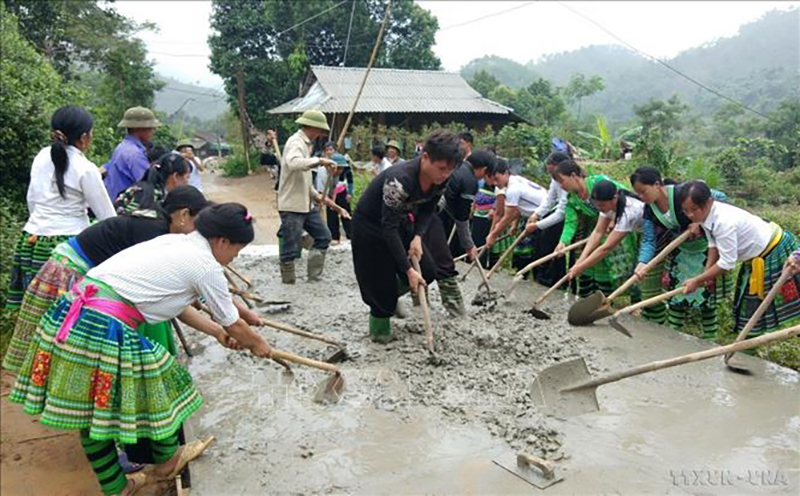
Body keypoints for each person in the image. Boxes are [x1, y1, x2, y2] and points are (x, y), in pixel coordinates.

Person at [10, 203, 271, 496]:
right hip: (103, 325)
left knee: (90, 409)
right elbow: (232, 323)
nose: (233, 258)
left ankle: (118, 486)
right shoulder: (205, 265)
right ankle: (166, 462)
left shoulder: (175, 242)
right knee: (166, 385)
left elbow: (184, 307)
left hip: (76, 311)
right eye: (235, 252)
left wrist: (238, 322)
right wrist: (260, 345)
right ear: (222, 241)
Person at [2, 186, 212, 373]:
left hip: (79, 269)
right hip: (69, 271)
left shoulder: (157, 222)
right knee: (64, 349)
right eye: (198, 223)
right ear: (184, 215)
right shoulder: (154, 232)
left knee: (66, 349)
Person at [352, 130, 463, 342]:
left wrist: (418, 237)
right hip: (371, 225)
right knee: (379, 283)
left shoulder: (442, 179)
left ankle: (388, 297)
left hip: (400, 220)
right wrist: (407, 269)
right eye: (441, 168)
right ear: (425, 157)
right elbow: (388, 229)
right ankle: (379, 332)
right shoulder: (399, 180)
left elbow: (429, 208)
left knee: (428, 270)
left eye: (450, 170)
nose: (445, 175)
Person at [5, 106, 116, 316]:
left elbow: (32, 198)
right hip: (68, 246)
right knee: (63, 312)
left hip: (33, 239)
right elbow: (107, 217)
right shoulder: (86, 168)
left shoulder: (41, 156)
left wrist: (40, 223)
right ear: (84, 137)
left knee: (33, 306)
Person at [680, 181, 800, 336]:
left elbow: (727, 263)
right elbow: (713, 244)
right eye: (685, 211)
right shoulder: (705, 215)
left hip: (776, 251)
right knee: (749, 313)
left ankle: (750, 344)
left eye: (694, 210)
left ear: (709, 202)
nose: (690, 215)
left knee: (762, 311)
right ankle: (747, 346)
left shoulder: (723, 222)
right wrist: (705, 274)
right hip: (756, 256)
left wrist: (697, 280)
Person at [630, 167, 729, 336]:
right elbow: (648, 240)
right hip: (680, 254)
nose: (641, 197)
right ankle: (672, 338)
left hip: (706, 252)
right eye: (638, 193)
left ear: (657, 184)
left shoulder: (682, 192)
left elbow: (720, 198)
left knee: (707, 302)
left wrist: (700, 221)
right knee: (676, 299)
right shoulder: (649, 209)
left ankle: (710, 340)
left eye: (643, 191)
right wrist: (642, 263)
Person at [553, 160, 638, 297]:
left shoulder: (599, 183)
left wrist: (614, 219)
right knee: (593, 266)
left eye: (562, 181)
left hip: (619, 228)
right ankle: (599, 300)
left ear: (574, 175)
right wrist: (563, 242)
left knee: (619, 269)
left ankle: (627, 300)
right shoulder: (572, 198)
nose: (561, 186)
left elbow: (623, 196)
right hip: (598, 230)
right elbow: (570, 222)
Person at [277, 109, 336, 284]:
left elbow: (304, 179)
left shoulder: (306, 145)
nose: (320, 134)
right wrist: (319, 161)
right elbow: (294, 163)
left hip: (305, 204)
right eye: (319, 130)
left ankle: (314, 277)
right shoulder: (295, 142)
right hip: (291, 205)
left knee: (324, 236)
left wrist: (316, 195)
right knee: (290, 246)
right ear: (311, 127)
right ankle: (288, 283)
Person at [566, 180, 645, 293]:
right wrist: (581, 259)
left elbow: (606, 248)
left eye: (601, 205)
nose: (599, 208)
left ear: (614, 198)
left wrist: (580, 267)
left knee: (643, 272)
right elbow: (598, 232)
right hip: (641, 232)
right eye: (596, 204)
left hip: (657, 232)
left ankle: (639, 304)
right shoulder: (605, 206)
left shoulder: (628, 212)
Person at [484, 159, 547, 273]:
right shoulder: (515, 180)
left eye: (497, 179)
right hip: (537, 216)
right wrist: (514, 225)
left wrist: (493, 235)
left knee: (542, 253)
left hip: (547, 215)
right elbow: (517, 210)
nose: (495, 183)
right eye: (493, 180)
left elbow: (509, 215)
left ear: (506, 173)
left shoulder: (513, 189)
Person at [524, 151, 571, 285]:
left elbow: (562, 211)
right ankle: (542, 278)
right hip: (557, 214)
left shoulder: (566, 181)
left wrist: (538, 225)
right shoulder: (555, 179)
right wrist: (536, 214)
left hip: (567, 218)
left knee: (555, 249)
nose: (553, 176)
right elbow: (550, 199)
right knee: (541, 244)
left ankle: (555, 281)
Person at [438, 149, 495, 261]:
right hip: (440, 213)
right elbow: (462, 216)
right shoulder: (470, 180)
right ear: (484, 169)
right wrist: (469, 245)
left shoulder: (457, 166)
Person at [103, 107, 161, 201]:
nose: (153, 132)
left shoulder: (122, 147)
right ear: (139, 129)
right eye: (150, 128)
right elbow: (148, 183)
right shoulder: (134, 154)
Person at [114, 152, 190, 216]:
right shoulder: (153, 196)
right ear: (175, 176)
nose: (187, 183)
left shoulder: (143, 188)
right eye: (187, 177)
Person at [326, 153, 354, 244]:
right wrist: (331, 202)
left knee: (345, 213)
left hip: (341, 191)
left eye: (341, 168)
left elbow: (350, 181)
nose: (340, 171)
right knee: (331, 215)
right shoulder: (324, 173)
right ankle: (334, 237)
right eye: (339, 168)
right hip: (327, 194)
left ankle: (351, 235)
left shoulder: (345, 170)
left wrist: (350, 193)